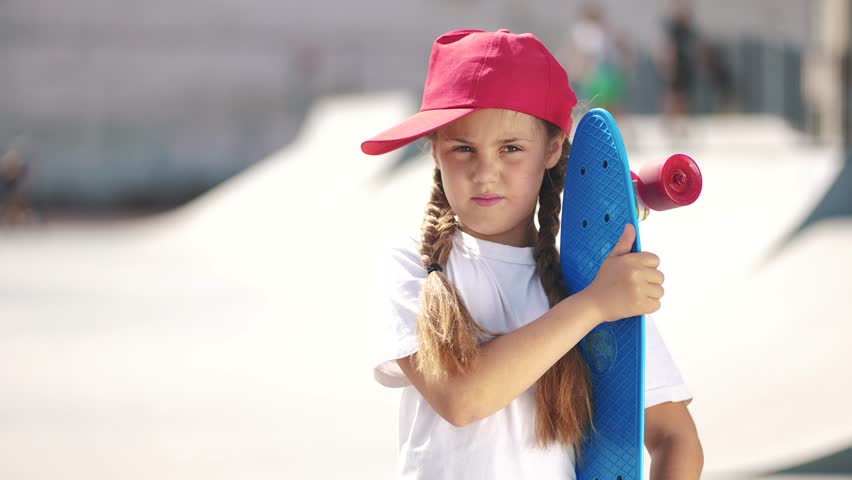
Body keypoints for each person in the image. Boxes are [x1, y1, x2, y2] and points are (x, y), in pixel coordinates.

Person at [361, 29, 703, 479]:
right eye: (463, 148)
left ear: (553, 148)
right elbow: (463, 399)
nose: (486, 172)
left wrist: (601, 297)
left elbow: (674, 438)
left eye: (511, 149)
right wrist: (596, 305)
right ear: (435, 152)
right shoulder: (418, 268)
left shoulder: (583, 278)